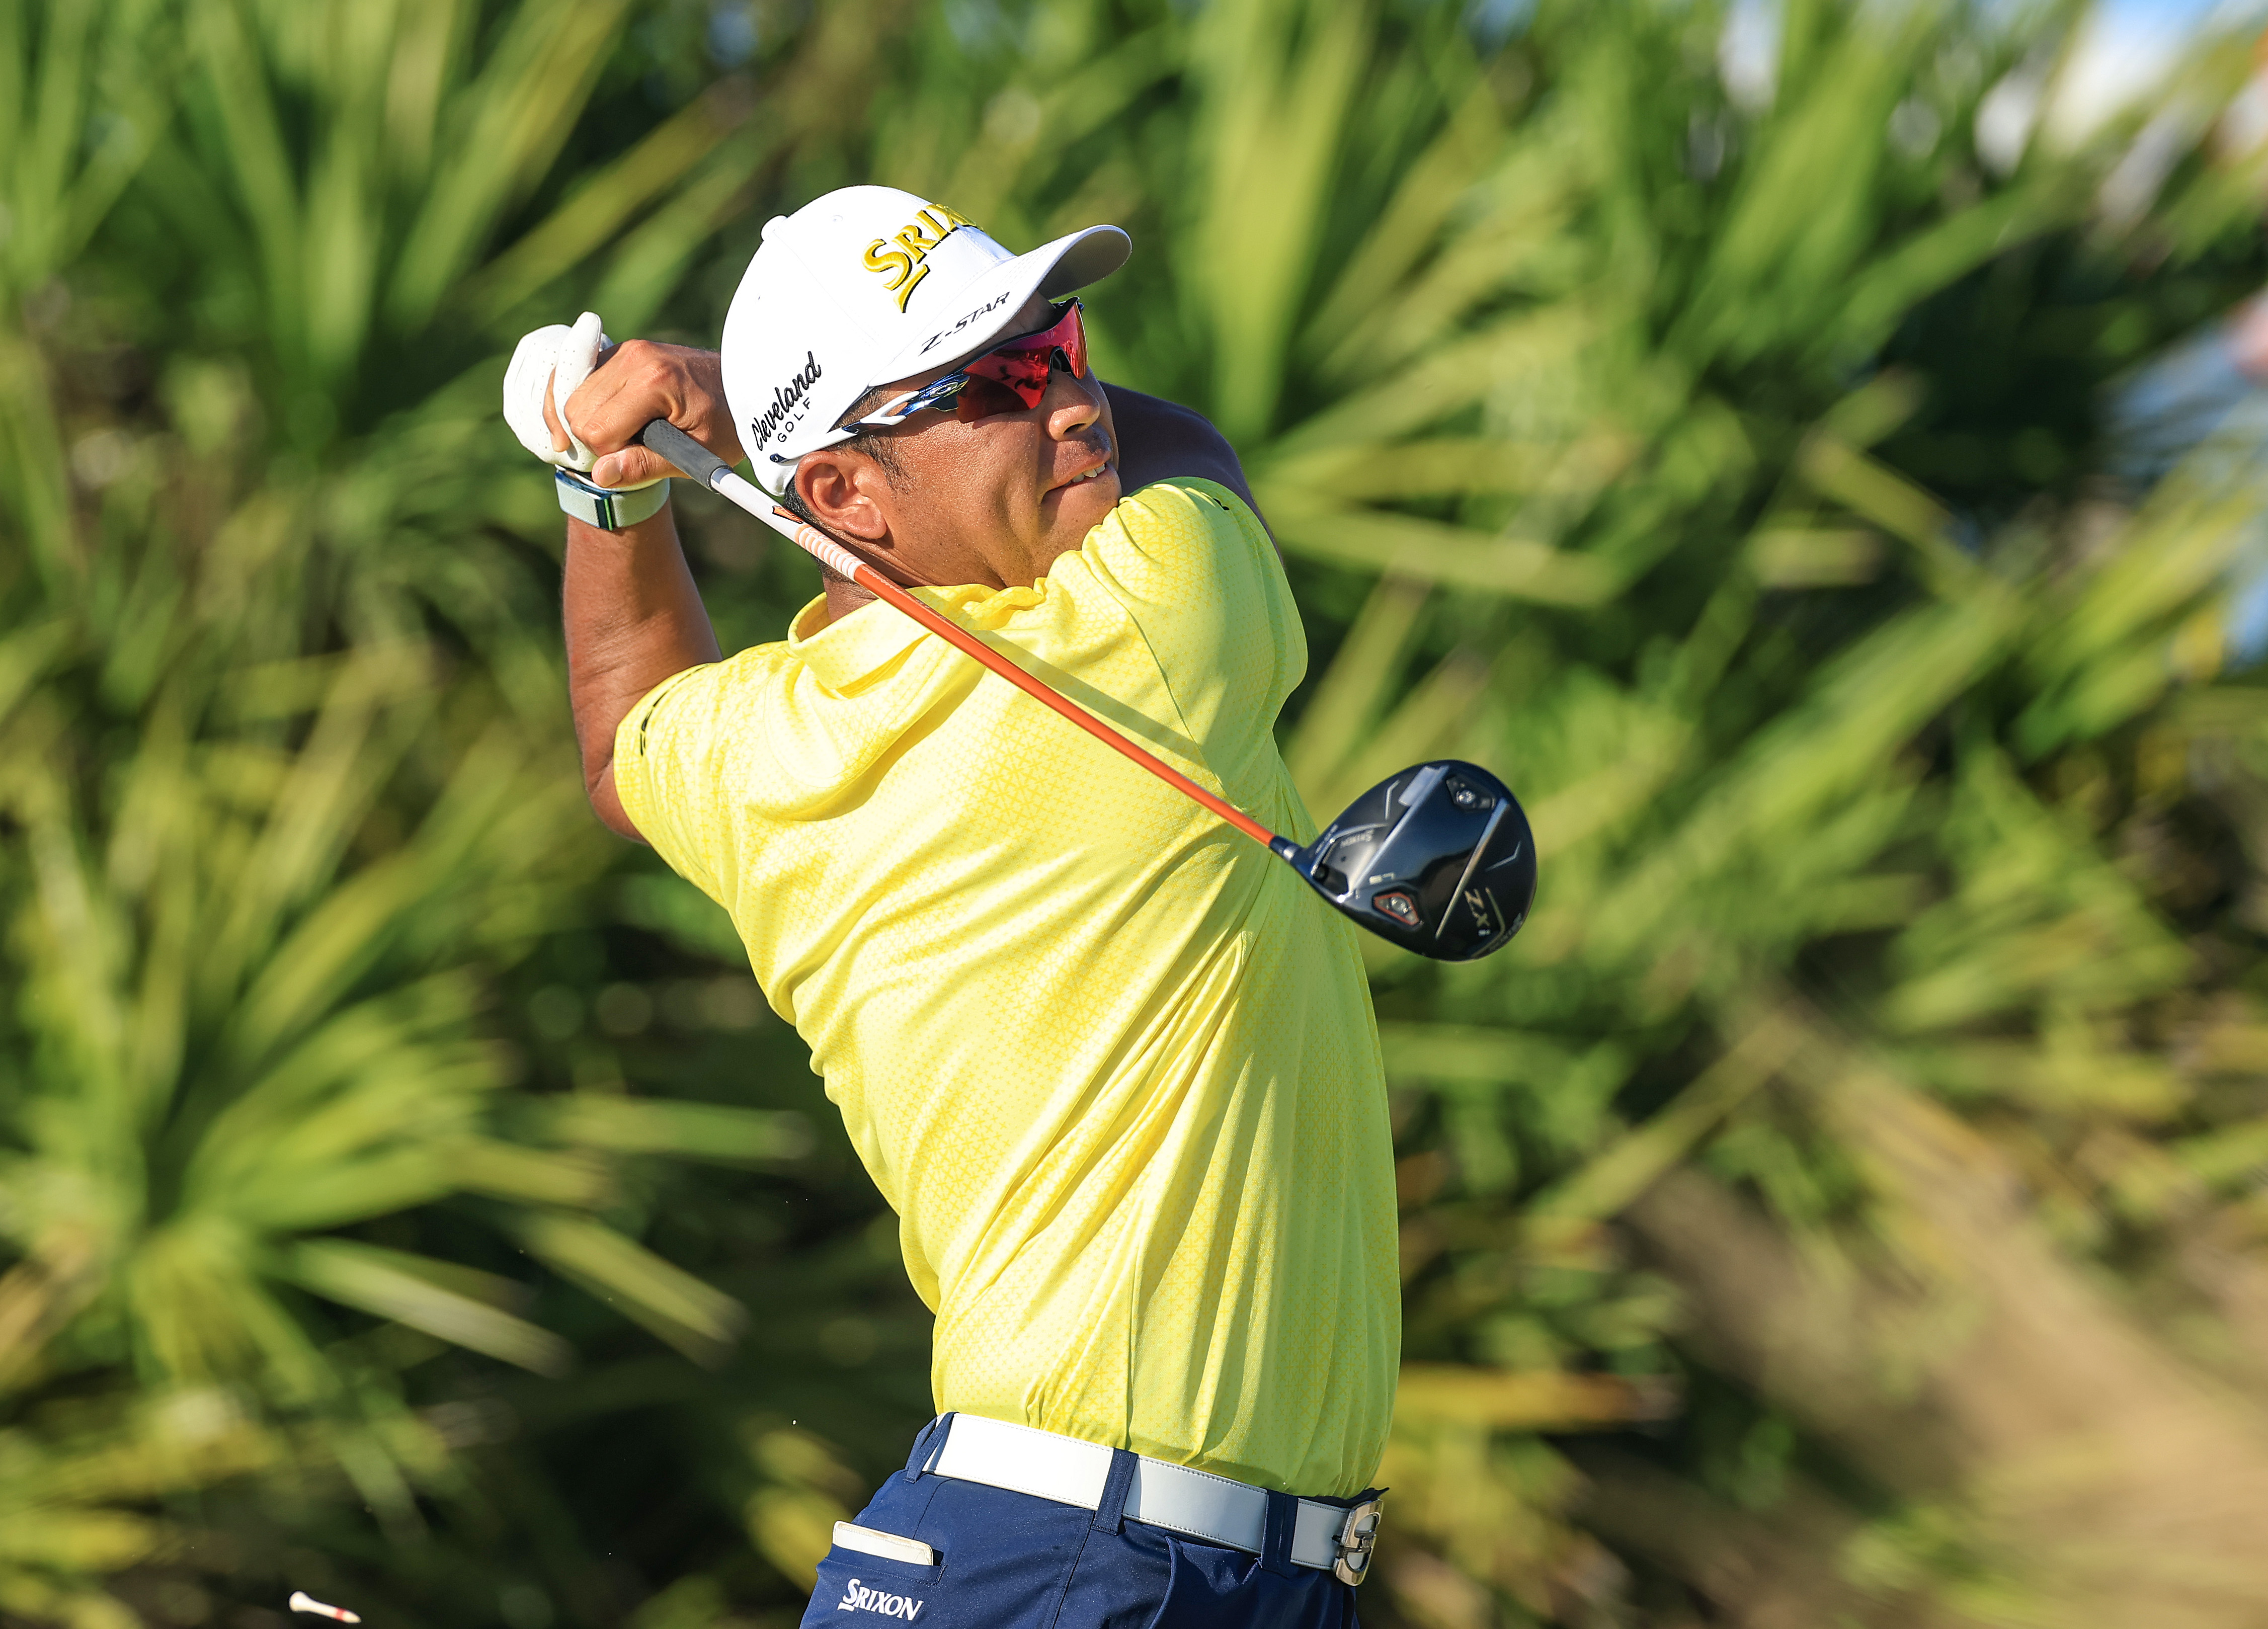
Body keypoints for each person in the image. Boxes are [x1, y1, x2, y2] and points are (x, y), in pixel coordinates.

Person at [502, 186, 1396, 1628]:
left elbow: (623, 746)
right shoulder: (1158, 623)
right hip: (1081, 1565)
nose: (1075, 402)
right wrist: (731, 409)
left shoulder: (760, 753)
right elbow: (1200, 453)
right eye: (996, 381)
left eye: (1065, 340)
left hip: (1076, 1561)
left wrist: (612, 493)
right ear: (844, 497)